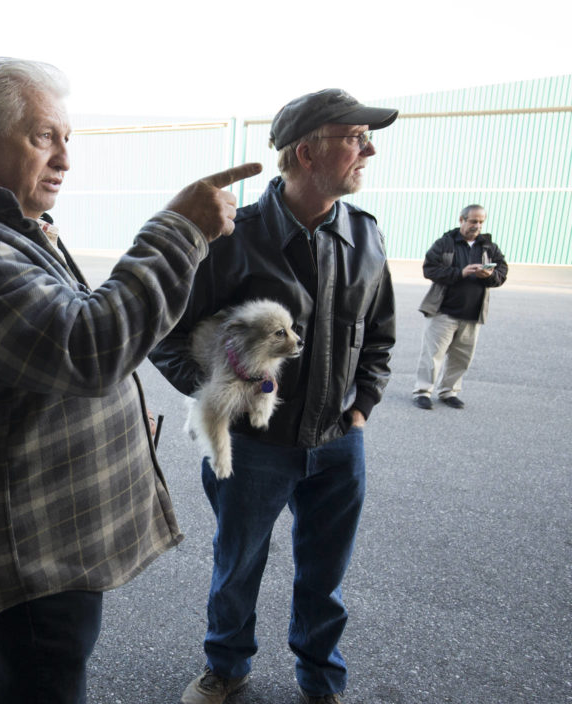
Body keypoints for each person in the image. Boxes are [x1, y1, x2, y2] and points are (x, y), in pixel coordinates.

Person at [0, 57, 260, 704]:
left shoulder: (2, 228)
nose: (65, 158)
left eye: (68, 139)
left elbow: (46, 359)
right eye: (42, 137)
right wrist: (178, 230)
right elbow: (89, 348)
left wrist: (117, 416)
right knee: (41, 683)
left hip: (47, 535)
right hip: (27, 558)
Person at [150, 88, 398, 704]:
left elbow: (381, 334)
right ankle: (227, 668)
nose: (368, 148)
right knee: (238, 568)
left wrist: (361, 405)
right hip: (255, 451)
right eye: (354, 136)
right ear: (307, 152)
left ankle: (320, 678)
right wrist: (221, 398)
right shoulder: (231, 237)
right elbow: (165, 336)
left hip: (340, 444)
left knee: (326, 578)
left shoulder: (365, 234)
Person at [412, 205, 507, 409]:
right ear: (462, 219)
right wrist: (460, 273)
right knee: (432, 356)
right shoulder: (445, 243)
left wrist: (489, 275)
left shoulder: (489, 248)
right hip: (443, 311)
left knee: (461, 358)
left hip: (472, 314)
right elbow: (430, 269)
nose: (477, 226)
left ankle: (449, 392)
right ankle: (423, 391)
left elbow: (502, 274)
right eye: (473, 221)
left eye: (481, 222)